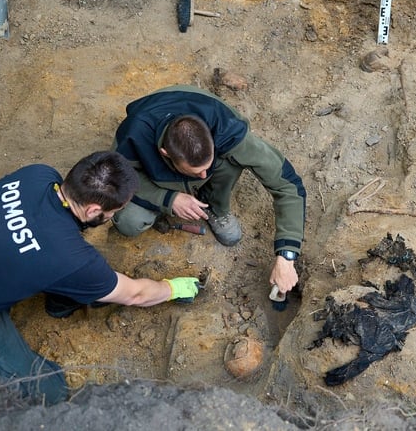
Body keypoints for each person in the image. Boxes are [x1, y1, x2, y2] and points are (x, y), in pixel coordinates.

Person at [0, 151, 201, 404]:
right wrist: (172, 287)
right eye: (112, 213)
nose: (112, 218)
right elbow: (135, 294)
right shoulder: (71, 259)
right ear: (94, 209)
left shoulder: (38, 174)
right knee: (49, 391)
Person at [112, 85, 306, 295]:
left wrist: (286, 256)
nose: (204, 176)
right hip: (156, 177)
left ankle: (213, 205)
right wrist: (168, 199)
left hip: (207, 137)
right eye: (196, 172)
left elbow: (287, 184)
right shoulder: (134, 134)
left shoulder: (226, 128)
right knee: (129, 222)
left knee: (231, 162)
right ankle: (167, 201)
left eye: (207, 167)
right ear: (165, 153)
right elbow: (117, 177)